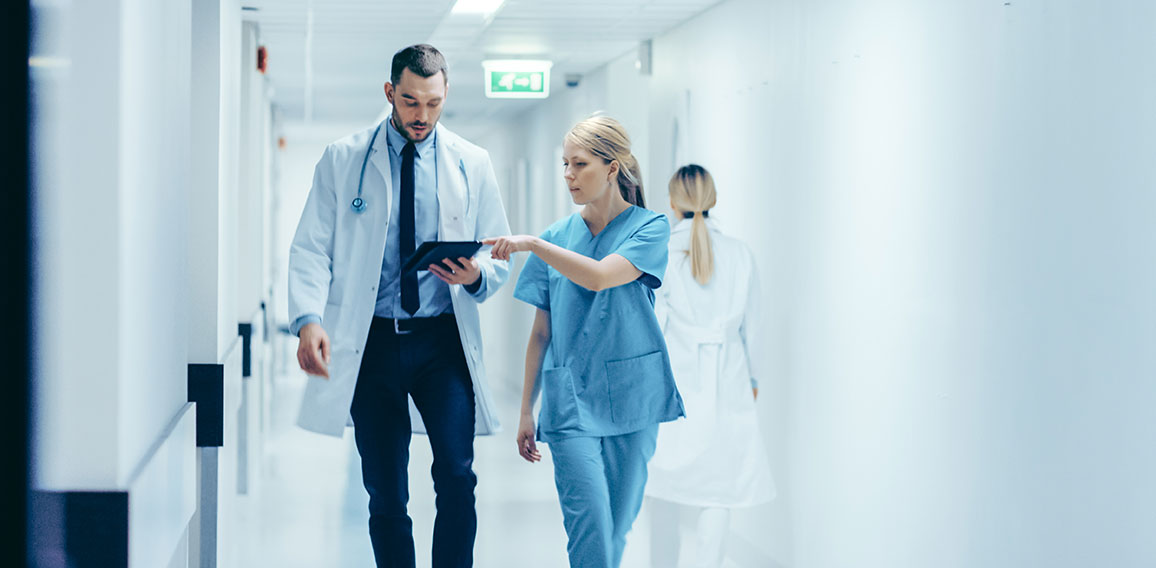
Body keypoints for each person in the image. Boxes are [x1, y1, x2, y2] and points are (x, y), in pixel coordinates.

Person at [287, 44, 511, 568]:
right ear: (390, 93)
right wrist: (308, 320)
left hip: (442, 343)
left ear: (445, 94)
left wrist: (478, 274)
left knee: (457, 475)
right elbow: (311, 247)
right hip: (373, 345)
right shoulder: (344, 160)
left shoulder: (472, 163)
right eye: (411, 102)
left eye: (433, 104)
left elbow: (499, 250)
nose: (422, 116)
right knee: (386, 492)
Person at [484, 115, 685, 568]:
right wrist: (524, 410)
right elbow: (541, 333)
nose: (568, 176)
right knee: (590, 531)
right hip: (571, 401)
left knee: (616, 529)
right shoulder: (557, 238)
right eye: (564, 164)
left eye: (580, 164)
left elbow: (598, 278)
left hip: (635, 398)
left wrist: (532, 244)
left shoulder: (649, 229)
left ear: (612, 169)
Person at [643, 164, 775, 568]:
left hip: (674, 385)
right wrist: (751, 380)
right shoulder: (740, 254)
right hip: (728, 380)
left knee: (664, 482)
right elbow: (755, 329)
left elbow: (653, 328)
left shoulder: (660, 253)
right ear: (712, 199)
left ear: (672, 202)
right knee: (719, 489)